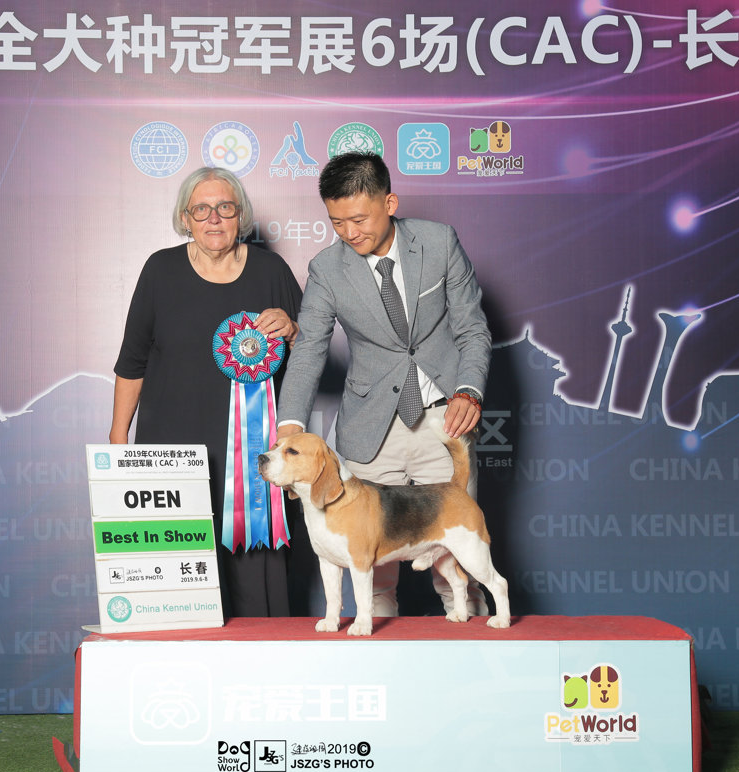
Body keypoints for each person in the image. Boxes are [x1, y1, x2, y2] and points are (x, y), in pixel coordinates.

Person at [276, 152, 491, 616]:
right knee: (369, 578)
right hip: (369, 429)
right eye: (337, 223)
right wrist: (290, 422)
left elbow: (472, 329)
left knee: (459, 570)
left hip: (444, 420)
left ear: (389, 203)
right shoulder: (326, 269)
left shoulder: (438, 242)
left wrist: (469, 390)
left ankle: (472, 647)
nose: (349, 233)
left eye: (359, 219)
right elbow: (310, 348)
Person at [110, 166, 301, 618]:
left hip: (251, 456)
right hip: (170, 451)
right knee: (176, 584)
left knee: (254, 580)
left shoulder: (272, 271)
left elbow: (310, 357)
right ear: (185, 218)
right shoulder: (160, 270)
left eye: (225, 207)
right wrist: (118, 438)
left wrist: (293, 330)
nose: (213, 218)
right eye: (201, 209)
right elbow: (132, 362)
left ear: (241, 216)